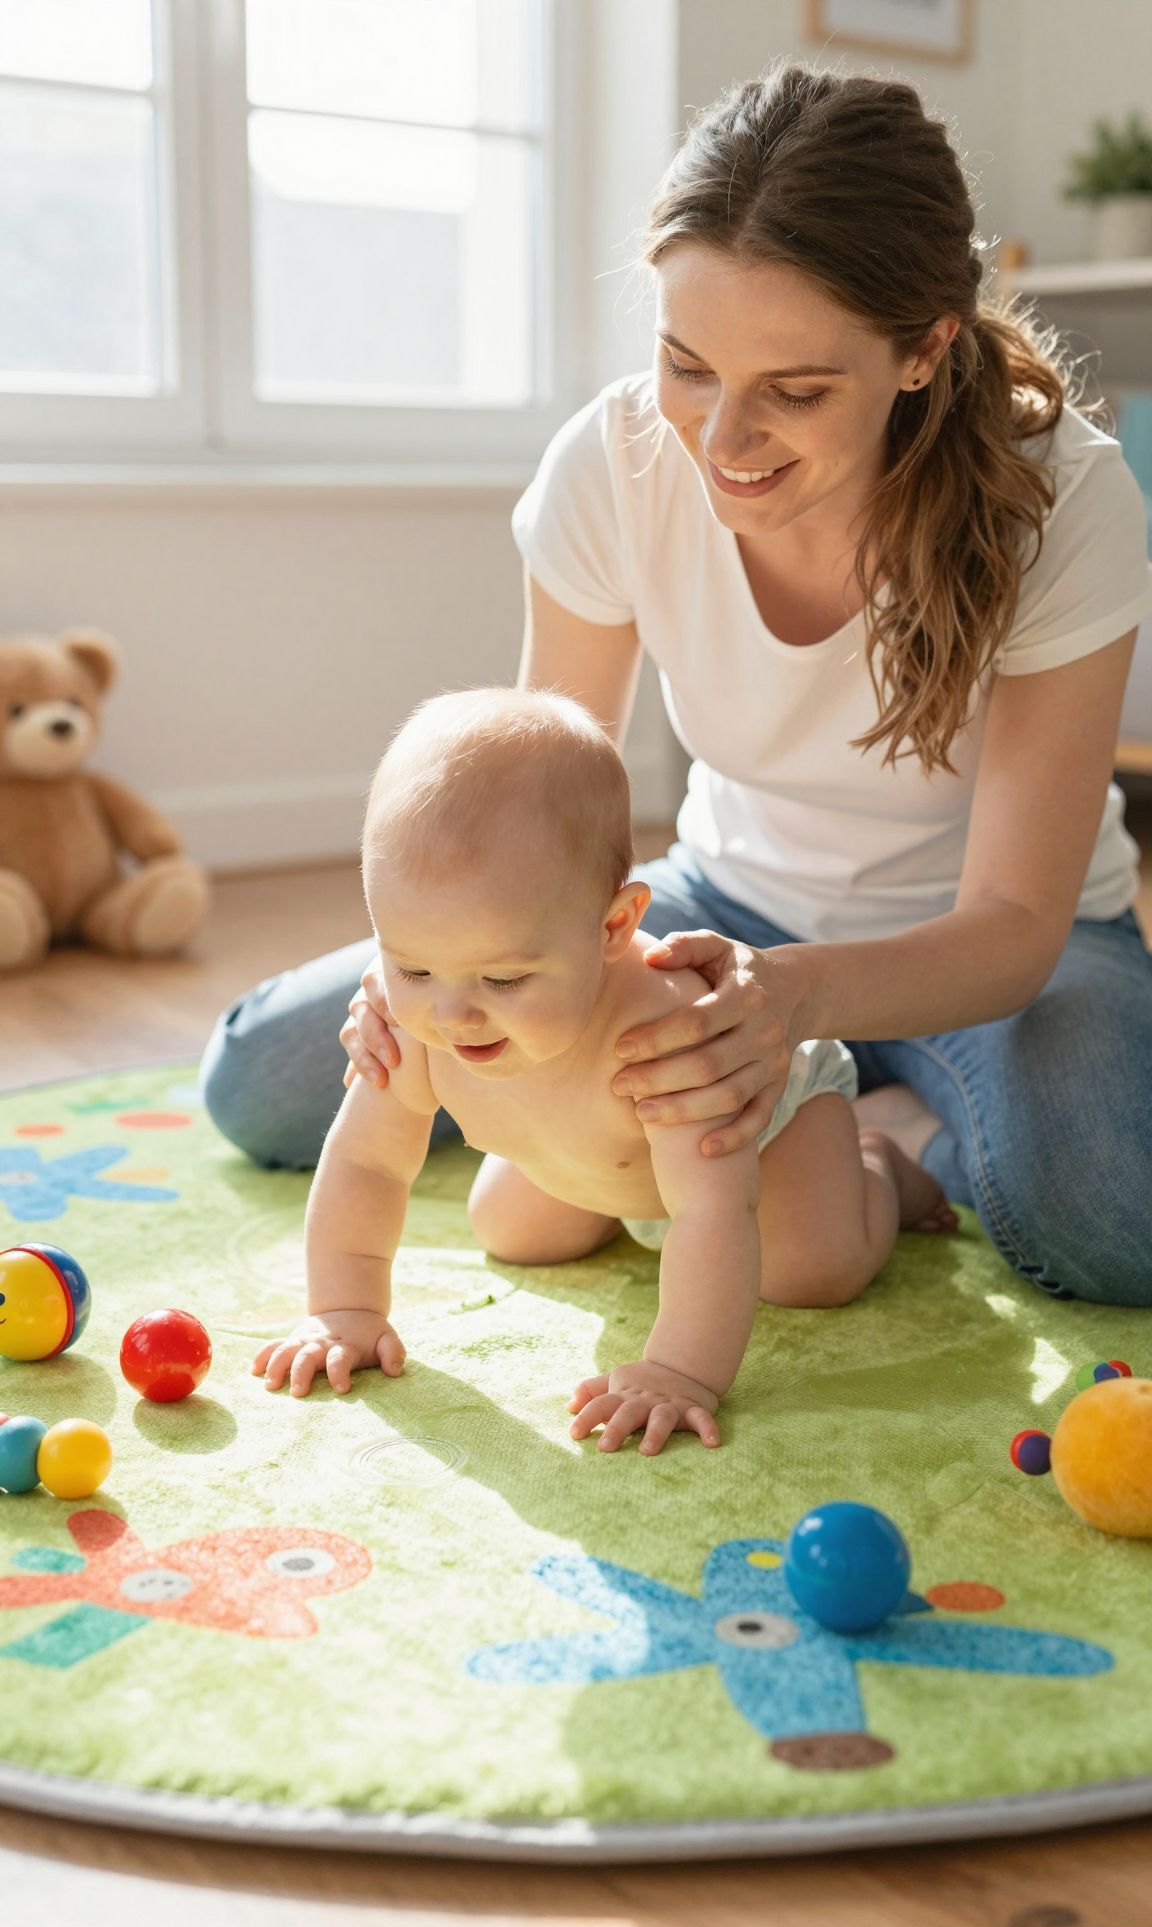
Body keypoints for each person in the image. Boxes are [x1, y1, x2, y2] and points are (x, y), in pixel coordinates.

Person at [202, 61, 1152, 1306]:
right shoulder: (615, 461)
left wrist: (798, 998)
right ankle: (818, 1104)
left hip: (993, 958)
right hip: (719, 914)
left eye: (795, 392)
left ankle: (888, 1135)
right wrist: (433, 981)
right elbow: (540, 797)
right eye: (688, 364)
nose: (720, 441)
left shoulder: (1064, 495)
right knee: (267, 1084)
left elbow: (1017, 922)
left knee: (1111, 1226)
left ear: (922, 350)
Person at [254, 690, 956, 1453]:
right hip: (603, 1159)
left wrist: (679, 1371)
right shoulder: (411, 1020)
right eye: (413, 964)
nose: (452, 1016)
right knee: (512, 1233)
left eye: (504, 980)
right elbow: (367, 1162)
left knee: (810, 1271)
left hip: (760, 1136)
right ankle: (616, 1197)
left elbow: (709, 1215)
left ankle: (883, 1159)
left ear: (613, 926)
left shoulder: (670, 1038)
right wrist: (344, 1308)